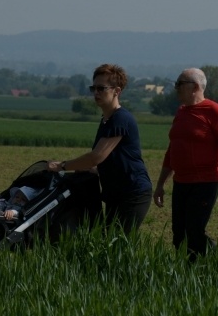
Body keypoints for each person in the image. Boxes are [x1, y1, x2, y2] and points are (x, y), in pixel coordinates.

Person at [48, 64, 152, 235]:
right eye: (93, 88)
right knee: (107, 242)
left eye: (101, 88)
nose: (96, 93)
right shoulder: (106, 119)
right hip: (115, 192)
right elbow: (109, 159)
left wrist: (63, 166)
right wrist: (94, 170)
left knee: (116, 243)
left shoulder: (120, 118)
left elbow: (96, 156)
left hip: (133, 192)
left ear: (117, 91)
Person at [153, 68, 218, 261]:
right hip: (181, 183)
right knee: (179, 235)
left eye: (180, 84)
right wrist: (160, 185)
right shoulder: (181, 112)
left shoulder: (214, 111)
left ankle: (216, 266)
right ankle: (187, 274)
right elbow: (172, 150)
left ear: (196, 87)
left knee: (195, 231)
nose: (176, 88)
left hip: (204, 183)